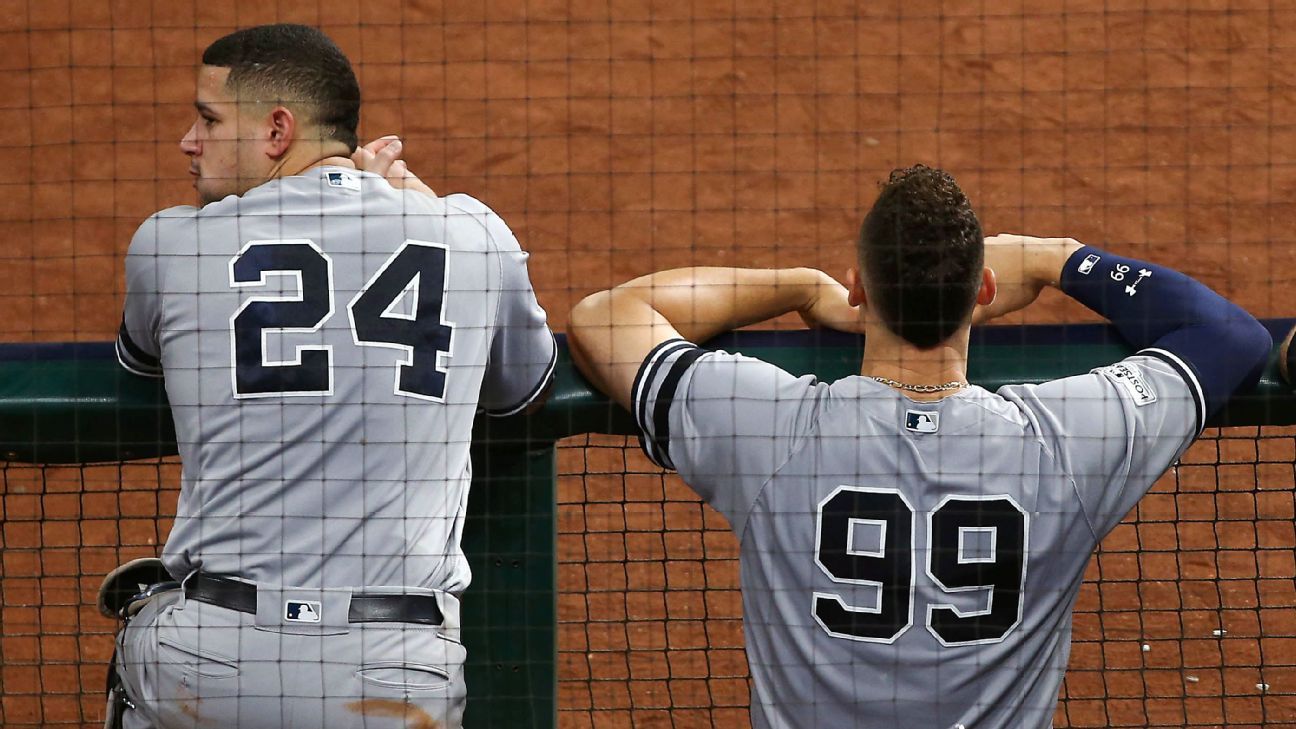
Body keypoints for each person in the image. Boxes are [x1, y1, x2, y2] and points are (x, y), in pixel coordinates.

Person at [566, 165, 1271, 728]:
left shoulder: (768, 426)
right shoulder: (1065, 441)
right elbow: (1228, 335)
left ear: (858, 289)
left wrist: (797, 288)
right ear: (985, 289)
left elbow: (608, 316)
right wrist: (1059, 259)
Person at [109, 24, 555, 729]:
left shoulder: (167, 244)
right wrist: (415, 210)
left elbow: (144, 358)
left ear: (278, 130)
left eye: (208, 119)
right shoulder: (473, 234)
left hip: (213, 669)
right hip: (393, 680)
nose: (188, 142)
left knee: (147, 620)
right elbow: (524, 392)